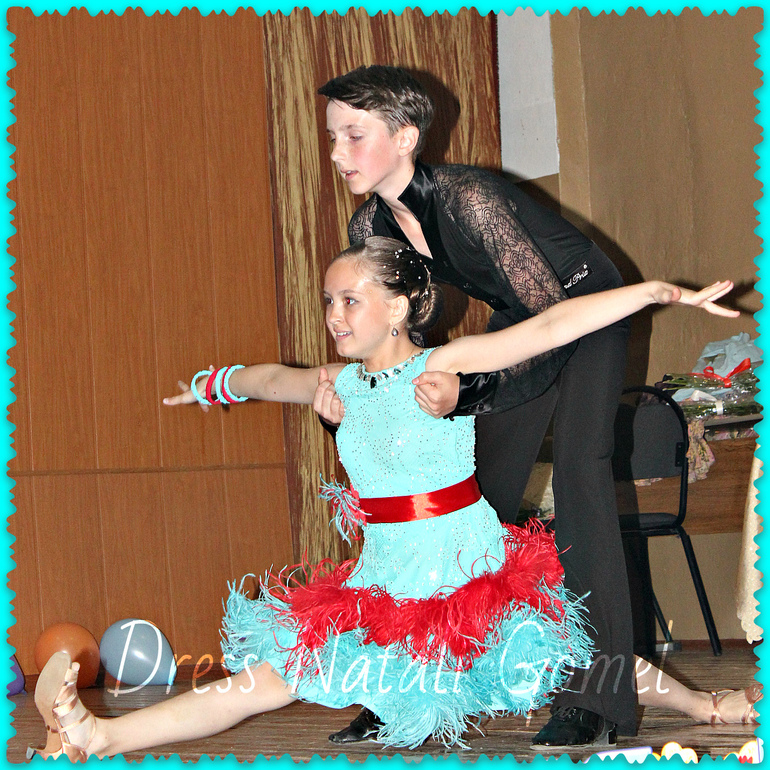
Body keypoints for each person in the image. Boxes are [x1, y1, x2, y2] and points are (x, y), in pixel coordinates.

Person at [28, 237, 758, 761]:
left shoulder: (444, 367)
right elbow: (268, 377)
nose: (335, 314)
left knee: (570, 663)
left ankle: (699, 704)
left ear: (402, 305)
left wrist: (656, 293)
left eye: (351, 300)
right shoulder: (340, 385)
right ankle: (102, 736)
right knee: (265, 683)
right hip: (383, 581)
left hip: (466, 570)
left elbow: (549, 326)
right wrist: (211, 385)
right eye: (328, 301)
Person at [316, 64, 657, 747]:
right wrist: (367, 404)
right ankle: (410, 687)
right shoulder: (373, 223)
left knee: (582, 482)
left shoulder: (470, 198)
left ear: (405, 137)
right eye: (332, 137)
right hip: (519, 318)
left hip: (582, 309)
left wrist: (467, 391)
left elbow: (554, 322)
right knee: (467, 501)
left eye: (354, 135)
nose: (337, 152)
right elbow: (405, 329)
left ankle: (597, 699)